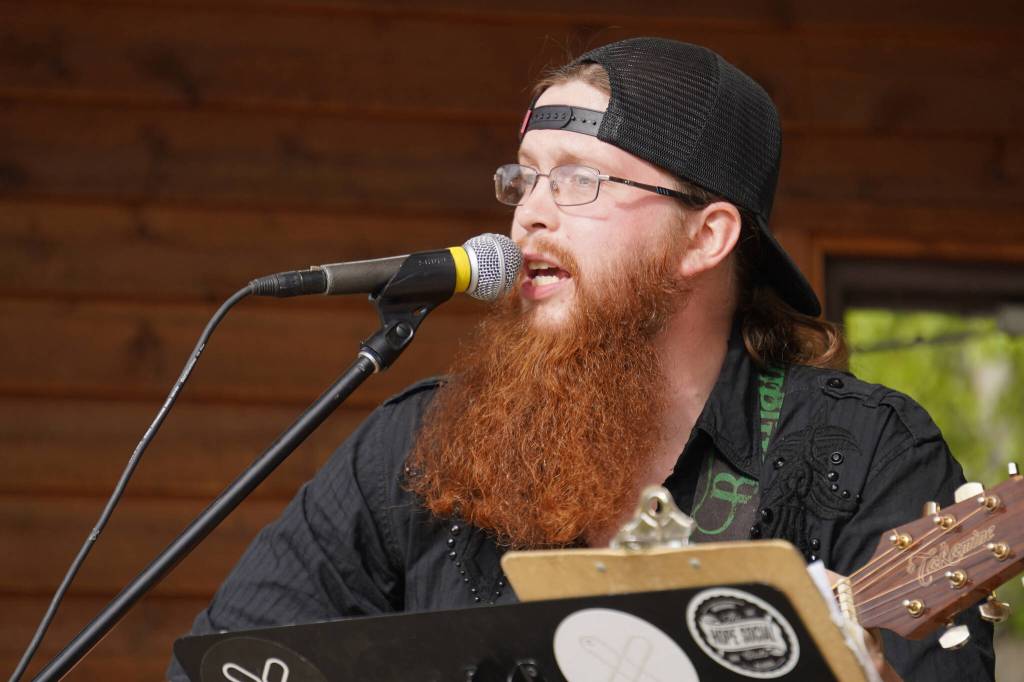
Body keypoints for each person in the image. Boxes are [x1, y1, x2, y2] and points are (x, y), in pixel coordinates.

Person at [168, 37, 993, 680]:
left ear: (704, 238)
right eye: (524, 180)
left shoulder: (870, 453)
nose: (527, 217)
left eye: (578, 180)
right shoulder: (418, 444)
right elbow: (226, 664)